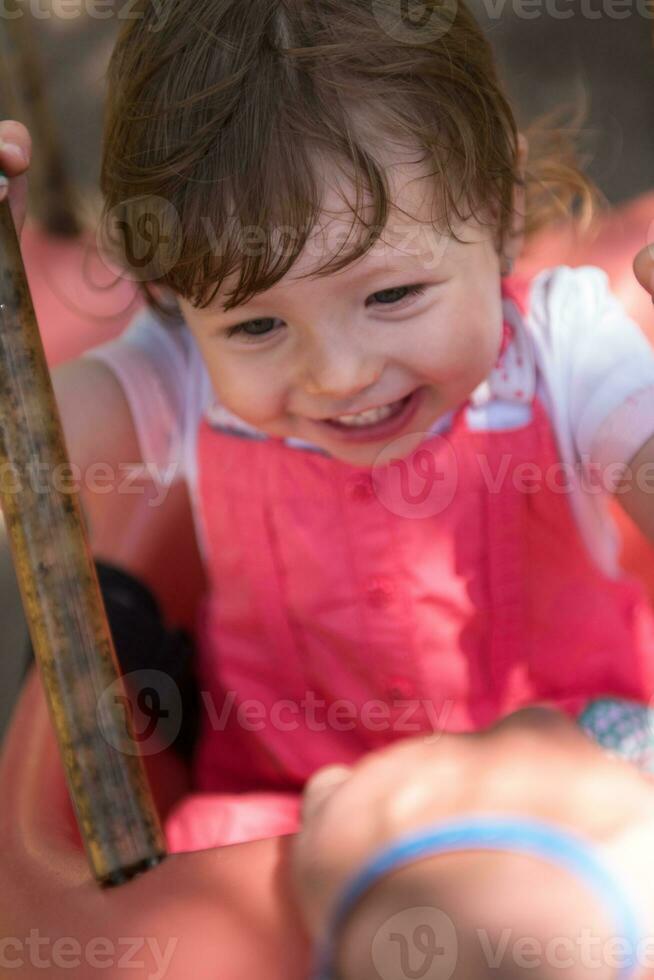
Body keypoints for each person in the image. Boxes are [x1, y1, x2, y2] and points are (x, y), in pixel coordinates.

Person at [2, 0, 654, 971]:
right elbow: (34, 447)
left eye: (391, 295)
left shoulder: (563, 344)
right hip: (290, 796)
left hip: (566, 753)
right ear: (182, 304)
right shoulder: (177, 376)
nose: (339, 373)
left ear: (500, 210)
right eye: (258, 327)